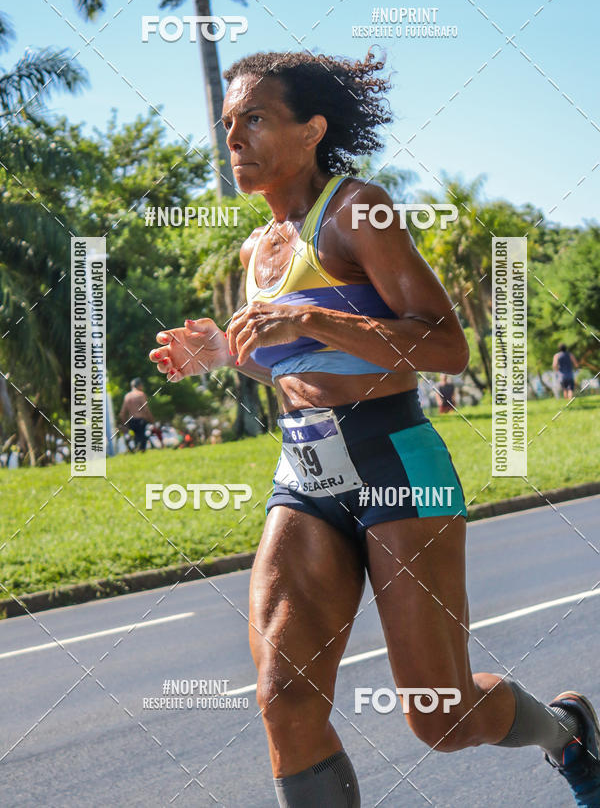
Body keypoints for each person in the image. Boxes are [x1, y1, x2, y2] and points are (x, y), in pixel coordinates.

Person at [149, 50, 600, 807]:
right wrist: (223, 355)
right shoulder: (256, 250)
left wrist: (312, 314)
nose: (234, 137)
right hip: (306, 474)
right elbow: (298, 373)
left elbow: (445, 348)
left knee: (442, 716)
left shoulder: (360, 210)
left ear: (312, 129)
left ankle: (569, 734)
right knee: (282, 696)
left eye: (255, 118)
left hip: (397, 461)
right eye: (228, 123)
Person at [118, 378, 154, 452]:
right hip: (140, 420)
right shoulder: (141, 394)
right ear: (139, 385)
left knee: (135, 438)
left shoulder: (127, 396)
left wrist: (125, 424)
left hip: (131, 421)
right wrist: (151, 419)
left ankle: (136, 451)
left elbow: (122, 413)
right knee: (141, 438)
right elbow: (146, 409)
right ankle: (141, 452)